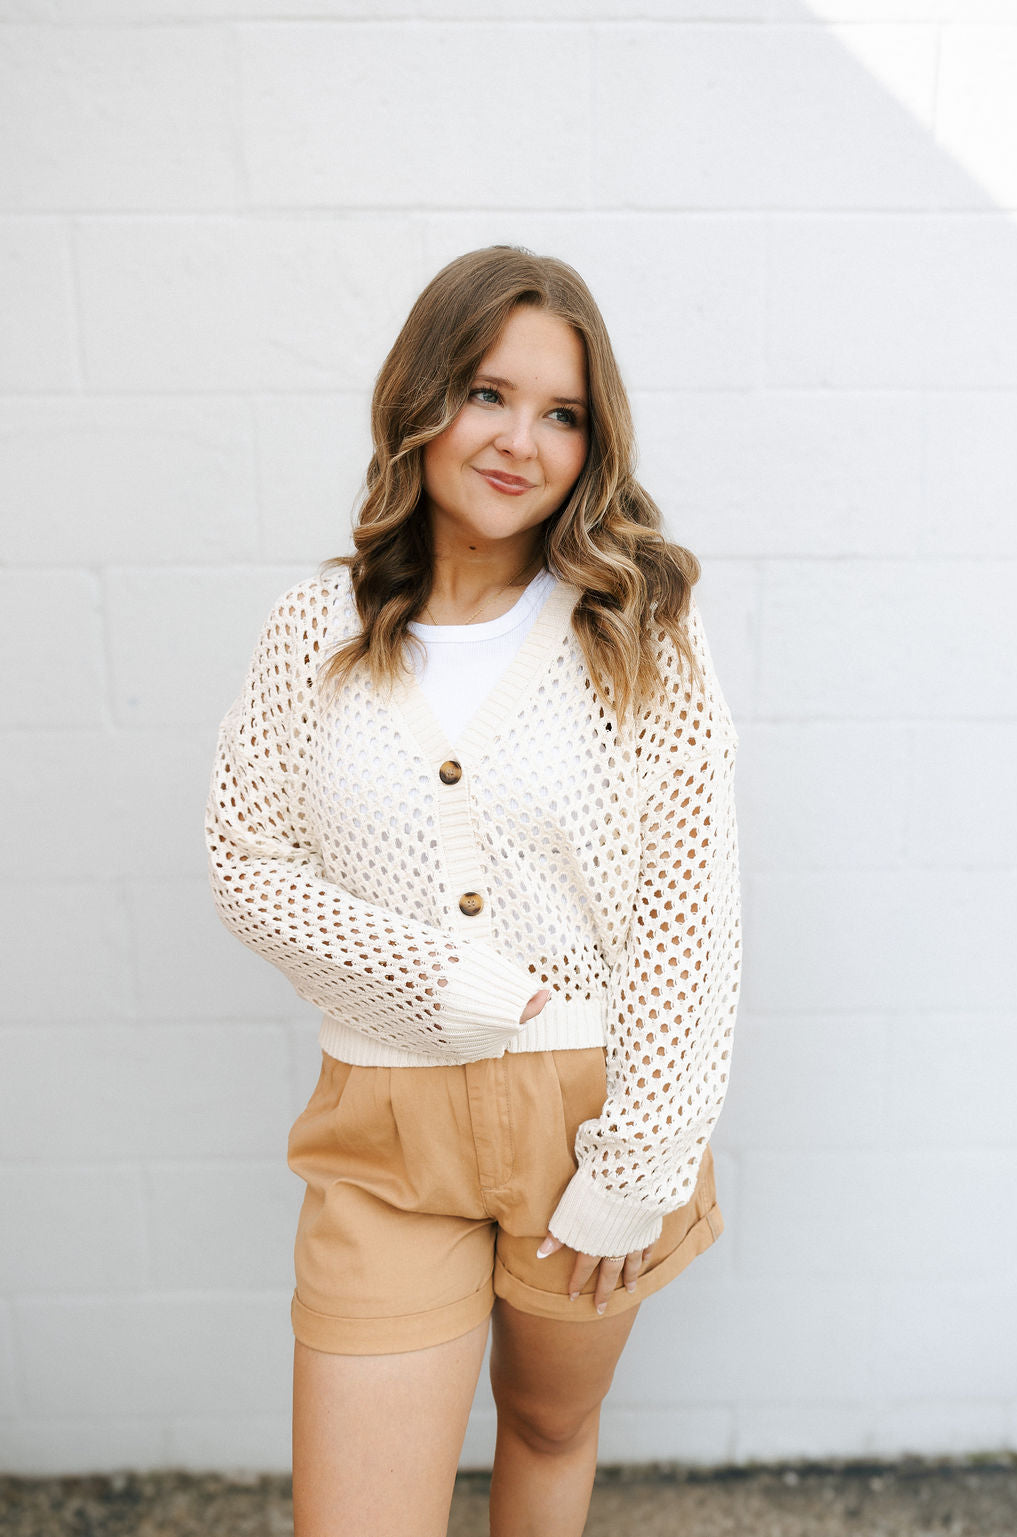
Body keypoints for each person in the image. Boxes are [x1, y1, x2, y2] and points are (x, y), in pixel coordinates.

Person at [205, 244, 742, 1537]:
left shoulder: (638, 628)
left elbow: (690, 916)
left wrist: (644, 1157)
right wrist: (435, 979)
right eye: (489, 394)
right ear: (423, 397)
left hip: (591, 1116)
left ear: (594, 443)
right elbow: (246, 858)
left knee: (548, 1426)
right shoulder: (315, 630)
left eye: (563, 414)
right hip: (386, 1126)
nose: (520, 441)